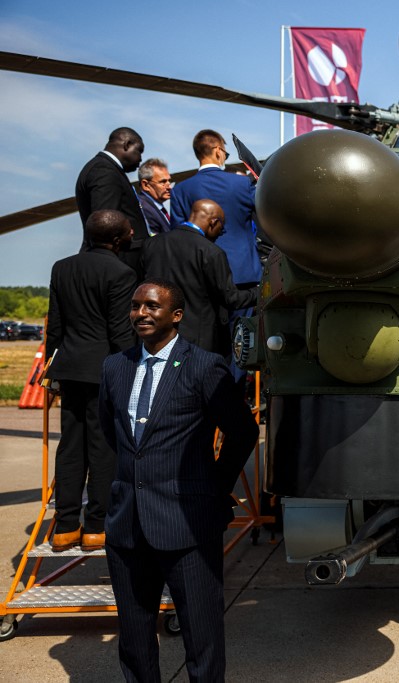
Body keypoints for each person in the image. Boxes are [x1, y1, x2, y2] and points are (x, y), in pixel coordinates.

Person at [99, 279, 258, 681]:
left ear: (176, 315)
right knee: (134, 639)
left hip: (188, 522)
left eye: (152, 306)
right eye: (136, 306)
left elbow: (242, 432)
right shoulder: (115, 367)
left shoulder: (203, 366)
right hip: (127, 524)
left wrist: (213, 486)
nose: (141, 313)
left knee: (201, 636)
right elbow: (113, 434)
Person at [45, 210, 137, 552]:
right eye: (128, 231)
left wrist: (51, 368)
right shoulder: (121, 272)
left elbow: (55, 325)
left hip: (69, 368)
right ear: (117, 239)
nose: (132, 235)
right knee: (102, 448)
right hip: (103, 371)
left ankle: (65, 526)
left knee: (70, 446)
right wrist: (130, 371)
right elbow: (119, 332)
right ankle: (95, 526)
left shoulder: (62, 267)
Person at [142, 199, 257, 356]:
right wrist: (260, 292)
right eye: (221, 229)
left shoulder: (151, 244)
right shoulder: (211, 252)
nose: (219, 235)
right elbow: (231, 298)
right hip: (199, 342)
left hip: (157, 335)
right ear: (213, 222)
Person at [170, 129, 261, 289]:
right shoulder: (243, 184)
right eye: (226, 154)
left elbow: (178, 237)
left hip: (201, 276)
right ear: (218, 151)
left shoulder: (180, 190)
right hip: (242, 273)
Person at [75, 128, 147, 271]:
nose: (140, 159)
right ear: (127, 145)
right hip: (118, 265)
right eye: (139, 151)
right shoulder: (104, 170)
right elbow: (105, 227)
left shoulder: (104, 168)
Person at [137, 158, 173, 235]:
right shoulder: (144, 209)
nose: (169, 187)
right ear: (146, 185)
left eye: (169, 181)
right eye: (163, 182)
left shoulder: (155, 206)